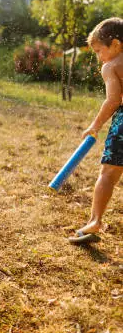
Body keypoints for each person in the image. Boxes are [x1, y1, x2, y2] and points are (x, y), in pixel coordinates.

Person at [69, 17, 123, 244]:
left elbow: (112, 101)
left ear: (116, 45)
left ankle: (95, 221)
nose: (99, 57)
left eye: (100, 51)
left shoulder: (111, 66)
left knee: (108, 174)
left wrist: (95, 125)